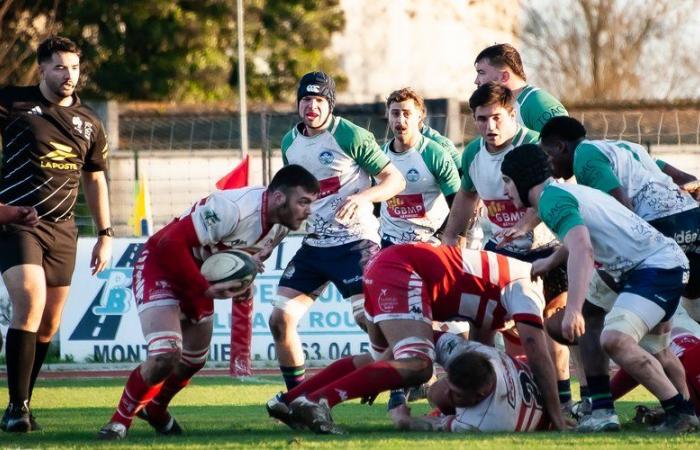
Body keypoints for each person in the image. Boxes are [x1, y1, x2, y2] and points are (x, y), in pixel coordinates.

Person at [97, 165, 320, 440]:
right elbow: (169, 243)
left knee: (193, 361)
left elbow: (243, 260)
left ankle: (156, 410)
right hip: (162, 264)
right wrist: (205, 289)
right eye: (303, 201)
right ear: (278, 198)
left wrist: (242, 282)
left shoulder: (280, 227)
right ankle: (118, 423)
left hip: (199, 276)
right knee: (166, 354)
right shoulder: (233, 208)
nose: (309, 210)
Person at [269, 243, 568, 434]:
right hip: (402, 269)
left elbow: (478, 354)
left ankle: (289, 400)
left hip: (391, 265)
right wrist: (556, 413)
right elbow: (536, 350)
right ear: (556, 295)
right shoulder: (527, 288)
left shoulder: (510, 293)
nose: (562, 316)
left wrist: (382, 376)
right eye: (565, 306)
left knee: (378, 362)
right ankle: (320, 400)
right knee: (419, 366)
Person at [501, 143, 697, 432]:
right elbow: (581, 235)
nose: (505, 190)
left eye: (506, 181)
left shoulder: (551, 201)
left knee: (614, 339)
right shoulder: (561, 193)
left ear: (522, 177)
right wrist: (551, 260)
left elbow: (582, 248)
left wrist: (574, 310)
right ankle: (667, 411)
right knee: (658, 351)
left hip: (653, 268)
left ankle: (678, 412)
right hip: (658, 263)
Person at [0, 36, 112, 433]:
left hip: (64, 231)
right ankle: (16, 407)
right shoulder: (11, 103)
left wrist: (105, 233)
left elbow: (95, 179)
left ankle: (22, 402)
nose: (69, 75)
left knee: (48, 325)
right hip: (19, 224)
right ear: (42, 69)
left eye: (75, 67)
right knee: (29, 302)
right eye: (61, 67)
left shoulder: (90, 122)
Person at [269, 71, 405, 392]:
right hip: (315, 245)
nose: (311, 106)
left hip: (355, 242)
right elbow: (291, 201)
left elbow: (394, 180)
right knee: (279, 320)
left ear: (330, 104)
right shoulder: (290, 143)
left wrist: (361, 197)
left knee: (369, 321)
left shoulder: (349, 135)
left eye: (318, 100)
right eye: (305, 99)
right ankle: (298, 397)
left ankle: (403, 381)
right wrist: (267, 242)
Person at [441, 82, 573, 409]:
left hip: (548, 250)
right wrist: (449, 240)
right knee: (481, 322)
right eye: (482, 119)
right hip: (500, 254)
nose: (490, 126)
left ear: (512, 114)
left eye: (497, 118)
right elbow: (466, 197)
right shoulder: (473, 153)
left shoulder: (533, 145)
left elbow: (557, 194)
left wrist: (526, 223)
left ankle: (565, 403)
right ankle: (481, 394)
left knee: (550, 328)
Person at [389, 332, 548, 432]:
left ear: (480, 394)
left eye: (457, 394)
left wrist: (404, 420)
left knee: (437, 395)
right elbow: (425, 336)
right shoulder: (477, 353)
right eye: (450, 386)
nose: (447, 392)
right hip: (527, 380)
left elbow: (434, 425)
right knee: (436, 392)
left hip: (536, 415)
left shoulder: (483, 422)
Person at [380, 87, 460, 247]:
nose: (400, 120)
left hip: (429, 242)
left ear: (420, 116)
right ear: (388, 116)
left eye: (406, 114)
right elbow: (375, 201)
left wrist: (443, 236)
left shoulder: (435, 153)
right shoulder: (380, 155)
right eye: (395, 113)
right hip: (389, 242)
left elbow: (458, 204)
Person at [609, 305, 700, 420]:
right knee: (646, 358)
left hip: (674, 348)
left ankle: (598, 404)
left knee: (644, 359)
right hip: (673, 348)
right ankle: (598, 404)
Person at [473, 43, 567, 132]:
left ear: (504, 77)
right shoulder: (499, 108)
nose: (476, 81)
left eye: (481, 73)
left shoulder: (537, 103)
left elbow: (567, 144)